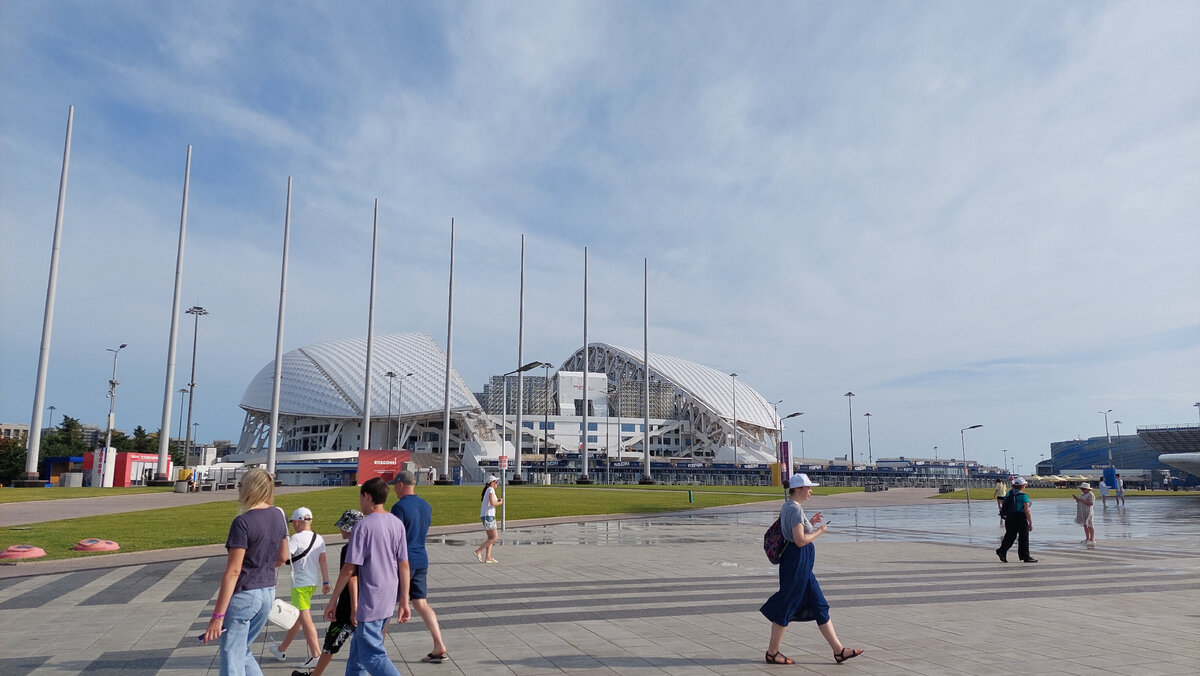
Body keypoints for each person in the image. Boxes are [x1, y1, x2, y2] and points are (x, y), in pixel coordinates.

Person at [760, 473, 863, 666]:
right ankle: (772, 653)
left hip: (801, 566)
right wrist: (819, 531)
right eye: (808, 488)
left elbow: (795, 532)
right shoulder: (795, 510)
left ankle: (839, 651)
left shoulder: (790, 507)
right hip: (796, 564)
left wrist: (811, 523)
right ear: (798, 489)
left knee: (819, 605)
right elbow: (799, 541)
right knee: (787, 605)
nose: (810, 491)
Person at [203, 468, 289, 676]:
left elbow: (233, 571)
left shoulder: (243, 522)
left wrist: (217, 616)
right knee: (243, 650)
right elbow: (283, 557)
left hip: (245, 594)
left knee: (232, 655)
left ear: (249, 488)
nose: (238, 490)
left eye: (240, 485)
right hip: (268, 592)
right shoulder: (278, 515)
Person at [325, 477, 410, 676]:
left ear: (367, 496)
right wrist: (404, 600)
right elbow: (404, 565)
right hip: (388, 596)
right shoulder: (396, 523)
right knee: (357, 657)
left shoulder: (363, 527)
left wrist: (333, 600)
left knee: (373, 657)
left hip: (371, 597)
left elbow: (348, 569)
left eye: (361, 497)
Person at [291, 509, 362, 676]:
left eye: (343, 527)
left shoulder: (349, 549)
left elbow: (351, 578)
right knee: (362, 646)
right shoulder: (367, 546)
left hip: (349, 604)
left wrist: (351, 607)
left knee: (332, 642)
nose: (340, 530)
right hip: (366, 601)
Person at [390, 470, 448, 663]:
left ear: (400, 484)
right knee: (421, 603)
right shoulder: (426, 505)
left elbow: (394, 538)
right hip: (421, 558)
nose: (394, 490)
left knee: (386, 606)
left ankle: (375, 651)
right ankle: (439, 644)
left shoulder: (399, 508)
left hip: (404, 562)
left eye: (395, 486)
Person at [271, 507, 330, 669]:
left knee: (305, 618)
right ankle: (281, 649)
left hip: (299, 585)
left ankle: (316, 654)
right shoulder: (319, 538)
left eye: (293, 523)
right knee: (299, 618)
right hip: (312, 584)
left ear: (297, 522)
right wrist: (326, 582)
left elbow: (283, 558)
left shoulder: (296, 538)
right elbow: (323, 561)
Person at [996, 476, 1037, 563]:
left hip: (1009, 517)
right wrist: (1030, 523)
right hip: (1020, 518)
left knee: (1010, 536)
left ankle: (1002, 551)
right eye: (1025, 485)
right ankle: (1025, 556)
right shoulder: (1023, 496)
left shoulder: (1009, 493)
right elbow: (1027, 510)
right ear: (1022, 486)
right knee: (1023, 537)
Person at [472, 475, 502, 564]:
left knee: (490, 538)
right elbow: (493, 503)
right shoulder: (490, 490)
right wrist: (500, 503)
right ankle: (478, 551)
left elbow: (490, 502)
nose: (497, 484)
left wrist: (498, 500)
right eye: (496, 482)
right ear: (492, 483)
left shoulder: (489, 490)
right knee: (495, 537)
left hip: (486, 516)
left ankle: (488, 557)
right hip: (488, 516)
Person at [1073, 483, 1095, 547]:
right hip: (1082, 511)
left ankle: (1092, 539)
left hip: (1088, 511)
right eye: (1081, 489)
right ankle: (1087, 538)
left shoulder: (1091, 494)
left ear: (1088, 489)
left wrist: (1080, 500)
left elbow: (1090, 503)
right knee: (1085, 525)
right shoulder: (1082, 494)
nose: (1082, 490)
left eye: (1083, 489)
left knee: (1090, 524)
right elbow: (1080, 501)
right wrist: (1077, 499)